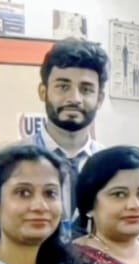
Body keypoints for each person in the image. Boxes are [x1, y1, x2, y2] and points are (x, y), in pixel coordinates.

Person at [35, 39, 108, 180]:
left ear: (99, 99)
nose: (75, 99)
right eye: (63, 87)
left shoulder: (110, 165)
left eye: (86, 89)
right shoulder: (9, 164)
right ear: (43, 92)